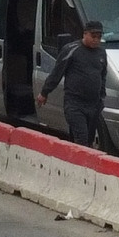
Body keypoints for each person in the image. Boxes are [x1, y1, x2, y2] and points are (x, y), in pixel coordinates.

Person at [35, 20, 108, 148]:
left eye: (99, 37)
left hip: (93, 104)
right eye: (93, 36)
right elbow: (57, 73)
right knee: (82, 138)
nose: (96, 40)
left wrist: (101, 97)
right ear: (85, 34)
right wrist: (44, 92)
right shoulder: (71, 50)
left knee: (89, 139)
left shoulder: (101, 53)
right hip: (75, 103)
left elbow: (102, 75)